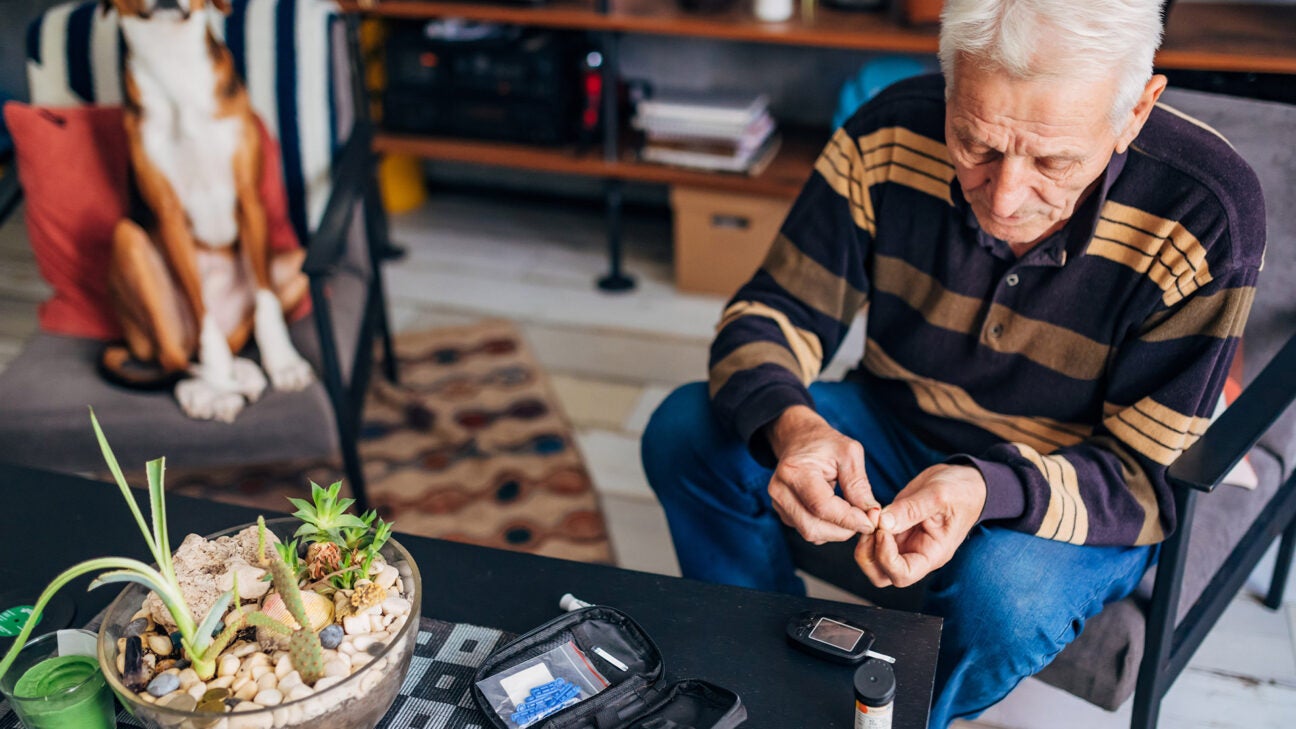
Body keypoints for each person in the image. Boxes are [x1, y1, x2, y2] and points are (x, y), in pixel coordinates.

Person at [640, 0, 1267, 726]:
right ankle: (763, 670)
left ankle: (904, 720)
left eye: (1052, 160)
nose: (1004, 196)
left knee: (1003, 593)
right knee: (688, 429)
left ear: (1136, 110)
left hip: (1073, 483)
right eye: (975, 143)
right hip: (895, 422)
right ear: (948, 81)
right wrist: (793, 425)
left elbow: (1140, 477)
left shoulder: (1207, 212)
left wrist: (985, 485)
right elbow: (769, 313)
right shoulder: (887, 131)